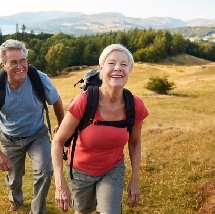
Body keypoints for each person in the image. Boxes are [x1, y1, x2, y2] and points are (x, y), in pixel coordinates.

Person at [51, 43, 149, 214]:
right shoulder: (84, 101)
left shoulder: (135, 105)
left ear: (129, 70)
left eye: (124, 64)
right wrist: (60, 184)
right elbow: (58, 141)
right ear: (101, 68)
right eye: (111, 63)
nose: (118, 68)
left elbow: (134, 143)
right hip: (80, 169)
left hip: (113, 167)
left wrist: (134, 180)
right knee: (83, 211)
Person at [0, 39, 64, 214]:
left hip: (37, 135)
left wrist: (61, 126)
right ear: (3, 65)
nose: (20, 66)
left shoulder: (39, 79)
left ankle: (37, 210)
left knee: (45, 171)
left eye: (23, 60)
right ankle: (16, 200)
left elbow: (56, 102)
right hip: (10, 138)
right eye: (13, 62)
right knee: (14, 178)